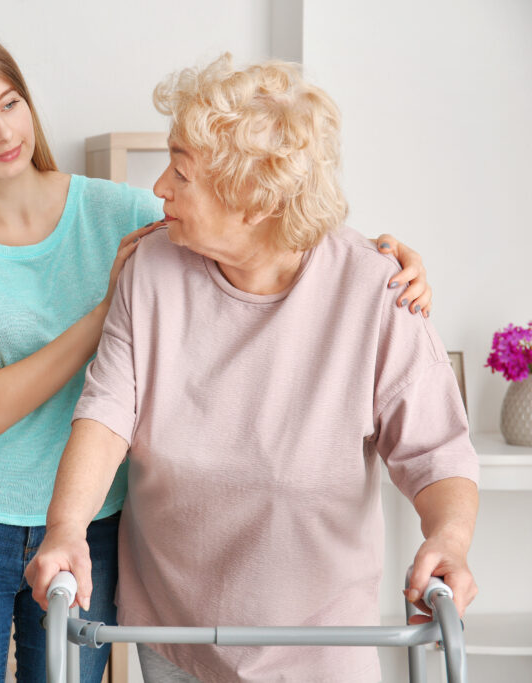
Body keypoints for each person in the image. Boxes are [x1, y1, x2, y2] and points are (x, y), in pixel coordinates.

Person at [0, 27, 433, 683]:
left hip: (93, 524)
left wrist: (385, 261)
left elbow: (258, 217)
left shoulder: (125, 209)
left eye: (10, 103)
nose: (3, 133)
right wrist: (103, 310)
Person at [25, 53, 479, 683]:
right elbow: (106, 412)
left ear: (253, 199)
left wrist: (449, 541)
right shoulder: (153, 269)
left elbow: (438, 453)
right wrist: (66, 527)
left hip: (321, 647)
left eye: (181, 171)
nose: (159, 186)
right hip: (175, 634)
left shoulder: (378, 290)